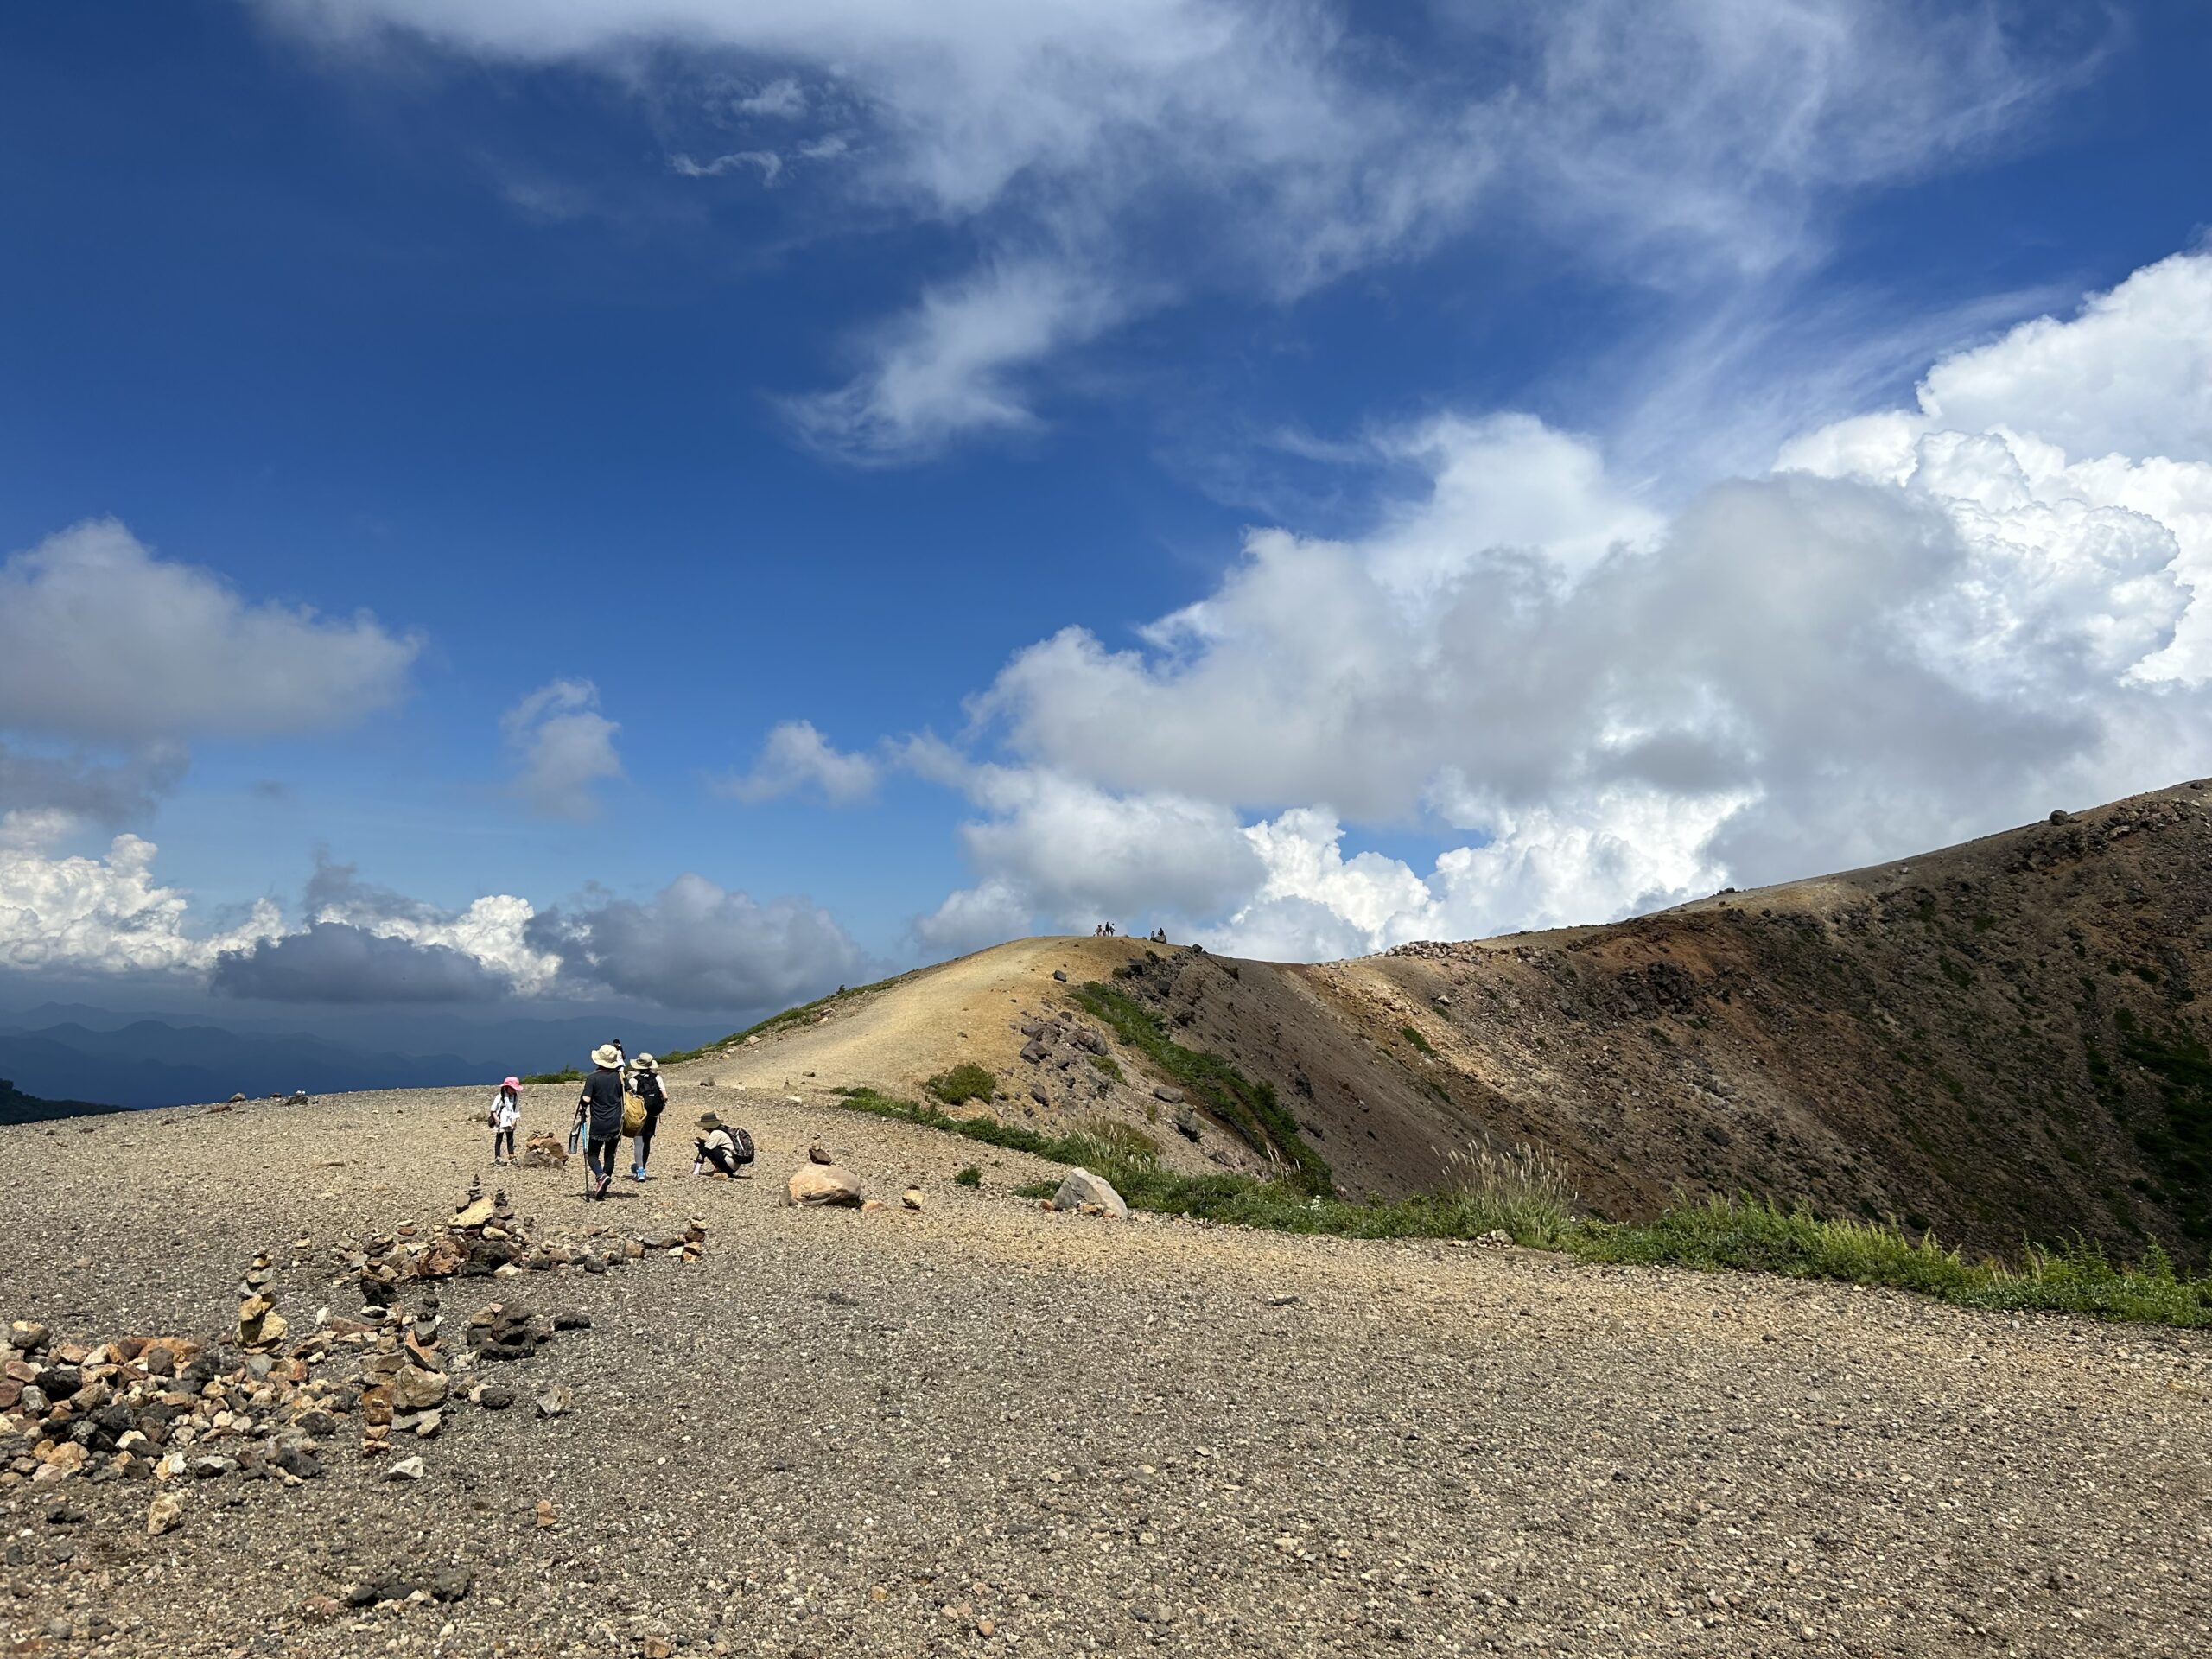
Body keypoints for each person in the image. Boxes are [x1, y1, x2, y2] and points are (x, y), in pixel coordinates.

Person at [576, 1043, 626, 1200]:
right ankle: (603, 1184)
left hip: (599, 1122)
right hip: (616, 1121)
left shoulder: (593, 1078)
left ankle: (600, 1176)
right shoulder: (619, 1076)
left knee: (592, 1154)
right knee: (610, 1154)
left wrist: (582, 1104)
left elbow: (586, 1099)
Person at [629, 1054, 668, 1180]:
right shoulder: (657, 1078)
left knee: (638, 1142)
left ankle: (640, 1171)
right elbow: (665, 1097)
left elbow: (630, 1099)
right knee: (647, 1140)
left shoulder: (633, 1080)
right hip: (654, 1113)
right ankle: (644, 1167)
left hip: (640, 1115)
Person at [693, 1113, 753, 1178]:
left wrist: (700, 1146)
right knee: (708, 1147)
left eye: (705, 1126)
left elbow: (705, 1151)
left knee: (705, 1149)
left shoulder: (716, 1133)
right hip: (734, 1164)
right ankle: (720, 1170)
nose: (704, 1129)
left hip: (729, 1165)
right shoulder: (724, 1129)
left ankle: (698, 1171)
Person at [487, 1076, 521, 1166]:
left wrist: (514, 1120)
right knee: (499, 1139)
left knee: (510, 1139)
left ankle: (511, 1155)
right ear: (507, 1088)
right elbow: (493, 1109)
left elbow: (516, 1109)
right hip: (501, 1121)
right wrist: (496, 1119)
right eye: (512, 1089)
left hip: (510, 1121)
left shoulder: (515, 1097)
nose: (514, 1091)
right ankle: (497, 1157)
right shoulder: (500, 1097)